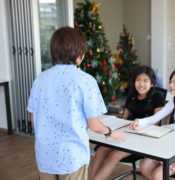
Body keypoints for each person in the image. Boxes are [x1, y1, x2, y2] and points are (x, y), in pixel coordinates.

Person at [27, 27, 125, 180]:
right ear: (80, 54)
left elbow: (34, 118)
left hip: (45, 153)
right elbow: (94, 125)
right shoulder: (85, 81)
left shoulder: (40, 79)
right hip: (72, 155)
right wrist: (109, 132)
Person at [90, 66, 165, 180]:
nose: (141, 84)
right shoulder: (132, 95)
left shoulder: (157, 96)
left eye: (145, 81)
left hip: (144, 139)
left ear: (152, 83)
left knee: (113, 156)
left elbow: (155, 124)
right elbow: (123, 119)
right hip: (126, 134)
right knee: (100, 150)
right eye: (138, 80)